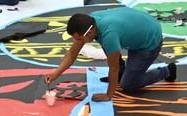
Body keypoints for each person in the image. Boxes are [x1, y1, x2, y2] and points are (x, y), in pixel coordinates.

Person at [45, 9, 177, 101]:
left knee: (128, 84)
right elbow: (73, 52)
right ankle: (123, 72)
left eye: (79, 39)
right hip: (139, 27)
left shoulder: (109, 35)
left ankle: (167, 71)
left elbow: (113, 67)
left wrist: (108, 95)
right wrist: (57, 72)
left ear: (89, 32)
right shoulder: (91, 22)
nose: (78, 43)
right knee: (109, 48)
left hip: (149, 41)